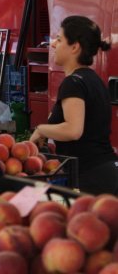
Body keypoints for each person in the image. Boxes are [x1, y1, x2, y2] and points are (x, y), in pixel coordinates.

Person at [30, 15, 118, 195]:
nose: (53, 44)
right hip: (106, 172)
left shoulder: (73, 83)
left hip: (92, 178)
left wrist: (41, 130)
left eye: (59, 39)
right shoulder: (94, 80)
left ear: (74, 47)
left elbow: (73, 130)